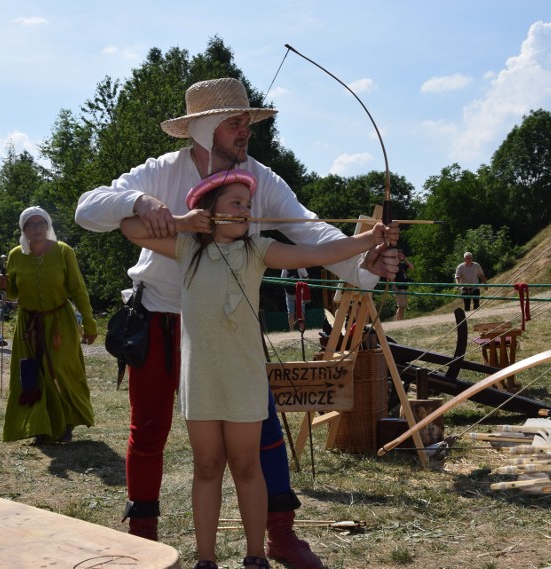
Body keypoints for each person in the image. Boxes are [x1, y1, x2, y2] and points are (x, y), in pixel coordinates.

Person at [75, 77, 399, 569]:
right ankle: (143, 541)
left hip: (228, 325)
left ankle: (279, 538)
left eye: (247, 119)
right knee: (149, 430)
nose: (245, 129)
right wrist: (139, 203)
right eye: (233, 121)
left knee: (262, 430)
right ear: (204, 130)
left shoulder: (259, 180)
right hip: (160, 314)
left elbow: (308, 229)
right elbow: (87, 209)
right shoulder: (160, 173)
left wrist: (363, 265)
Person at [121, 168, 391, 569]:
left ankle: (254, 557)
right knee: (207, 467)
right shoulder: (185, 248)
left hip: (244, 378)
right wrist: (182, 222)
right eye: (236, 204)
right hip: (201, 380)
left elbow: (316, 254)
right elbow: (130, 228)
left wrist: (369, 239)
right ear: (209, 211)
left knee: (247, 467)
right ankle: (206, 560)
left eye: (248, 205)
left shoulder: (258, 249)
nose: (246, 211)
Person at [1, 207, 97, 444]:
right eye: (31, 225)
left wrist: (89, 322)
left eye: (41, 223)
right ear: (23, 230)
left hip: (59, 322)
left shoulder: (63, 251)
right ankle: (41, 425)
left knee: (63, 371)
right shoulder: (16, 255)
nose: (37, 229)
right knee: (34, 374)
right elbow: (13, 293)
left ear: (48, 225)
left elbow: (77, 289)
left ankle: (66, 422)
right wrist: (3, 285)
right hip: (28, 324)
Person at [393, 251, 414, 321]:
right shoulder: (394, 265)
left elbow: (412, 267)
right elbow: (391, 278)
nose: (400, 254)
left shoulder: (402, 264)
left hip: (404, 286)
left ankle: (400, 320)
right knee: (400, 305)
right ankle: (399, 321)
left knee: (403, 306)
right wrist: (395, 287)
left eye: (401, 253)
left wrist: (405, 259)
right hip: (398, 287)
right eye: (399, 253)